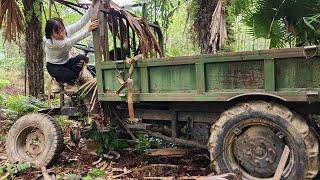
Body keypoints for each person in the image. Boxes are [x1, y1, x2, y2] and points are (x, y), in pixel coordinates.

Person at [43, 6, 99, 92]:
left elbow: (80, 23)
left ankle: (70, 81)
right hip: (54, 67)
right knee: (70, 75)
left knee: (81, 58)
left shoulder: (65, 31)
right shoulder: (52, 43)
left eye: (62, 29)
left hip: (67, 62)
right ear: (51, 34)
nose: (61, 34)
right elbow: (72, 40)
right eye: (57, 33)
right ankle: (59, 80)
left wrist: (92, 6)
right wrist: (88, 30)